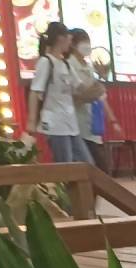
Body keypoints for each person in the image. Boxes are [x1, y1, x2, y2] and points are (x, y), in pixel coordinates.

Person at [26, 22, 95, 165]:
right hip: (54, 124)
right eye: (69, 39)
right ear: (60, 38)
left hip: (70, 124)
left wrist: (97, 83)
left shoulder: (65, 64)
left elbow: (80, 87)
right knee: (65, 165)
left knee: (87, 164)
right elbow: (34, 92)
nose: (70, 43)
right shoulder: (46, 62)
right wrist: (31, 121)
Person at [69, 28, 120, 171]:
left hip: (92, 126)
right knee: (94, 168)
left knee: (100, 168)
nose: (87, 47)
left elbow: (100, 95)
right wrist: (93, 91)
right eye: (84, 43)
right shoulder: (69, 65)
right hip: (76, 126)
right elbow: (74, 96)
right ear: (73, 45)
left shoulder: (89, 67)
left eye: (88, 43)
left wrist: (113, 121)